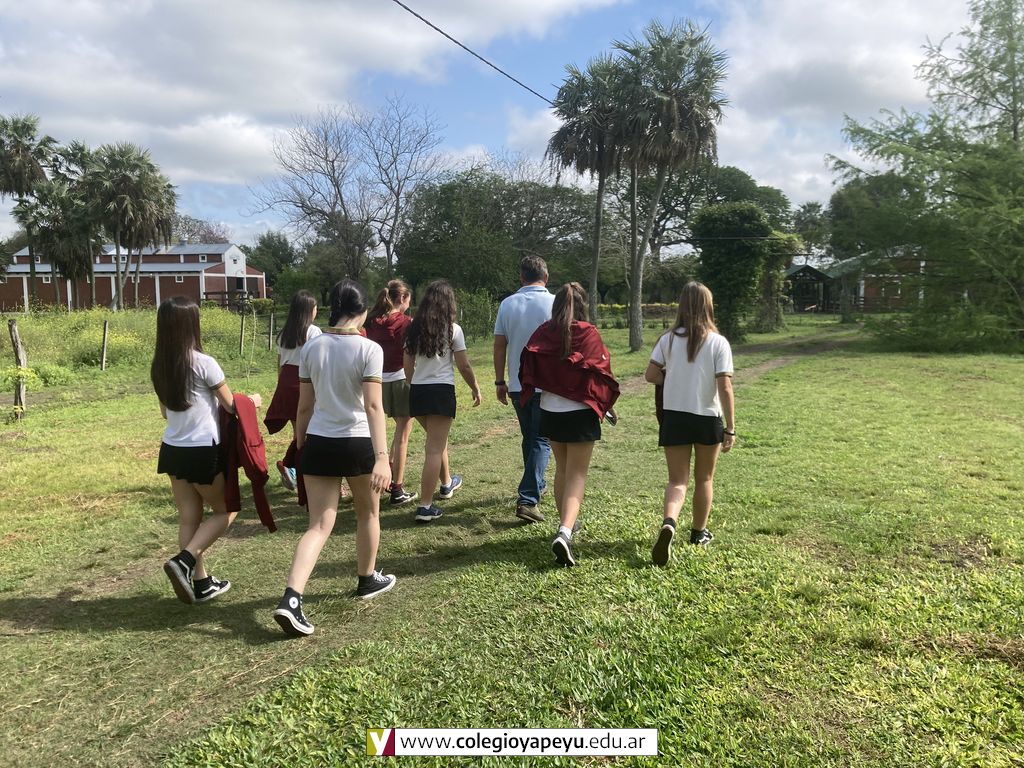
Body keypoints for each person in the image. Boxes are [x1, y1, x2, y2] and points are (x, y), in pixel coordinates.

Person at [273, 279, 395, 637]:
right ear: (363, 311)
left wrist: (301, 440)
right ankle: (367, 579)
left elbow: (304, 405)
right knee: (367, 514)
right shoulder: (369, 349)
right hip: (358, 443)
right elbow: (373, 406)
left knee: (318, 526)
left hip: (319, 442)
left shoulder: (312, 347)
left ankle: (291, 598)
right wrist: (383, 457)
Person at [152, 296, 256, 604]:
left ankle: (201, 583)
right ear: (191, 325)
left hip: (172, 449)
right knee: (227, 510)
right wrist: (252, 401)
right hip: (202, 451)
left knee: (189, 518)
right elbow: (231, 405)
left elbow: (165, 413)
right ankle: (184, 561)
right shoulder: (203, 362)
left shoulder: (159, 366)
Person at [519, 282, 618, 567]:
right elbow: (600, 374)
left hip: (550, 410)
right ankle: (565, 531)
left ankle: (567, 523)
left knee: (562, 470)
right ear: (583, 304)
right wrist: (607, 406)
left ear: (557, 305)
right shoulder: (588, 333)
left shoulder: (544, 332)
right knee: (577, 475)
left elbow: (528, 363)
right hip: (580, 412)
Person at [644, 281, 735, 566]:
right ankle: (698, 533)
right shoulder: (718, 342)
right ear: (708, 306)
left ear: (681, 306)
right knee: (704, 478)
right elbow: (725, 387)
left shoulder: (667, 340)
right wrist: (730, 427)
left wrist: (671, 377)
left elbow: (650, 375)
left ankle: (669, 521)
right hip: (708, 417)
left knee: (677, 480)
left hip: (675, 417)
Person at [403, 279, 481, 523]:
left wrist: (413, 383)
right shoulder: (453, 329)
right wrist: (475, 388)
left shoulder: (413, 328)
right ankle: (425, 506)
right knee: (434, 449)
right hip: (441, 392)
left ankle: (447, 484)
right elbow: (464, 365)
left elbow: (407, 364)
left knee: (436, 442)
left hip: (418, 391)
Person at [493, 256, 555, 523]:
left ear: (521, 277)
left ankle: (537, 484)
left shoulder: (507, 304)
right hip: (547, 383)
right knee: (542, 439)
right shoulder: (555, 303)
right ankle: (528, 499)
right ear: (546, 276)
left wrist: (499, 381)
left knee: (530, 437)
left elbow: (500, 345)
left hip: (518, 384)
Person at [364, 280, 417, 506]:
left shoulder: (371, 322)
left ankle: (383, 472)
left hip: (375, 381)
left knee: (378, 433)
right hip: (401, 378)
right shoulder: (406, 322)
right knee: (402, 435)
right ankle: (397, 488)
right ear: (402, 299)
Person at [264, 290, 321, 492]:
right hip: (303, 382)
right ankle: (295, 469)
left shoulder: (283, 334)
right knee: (309, 432)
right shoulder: (313, 332)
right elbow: (317, 363)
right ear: (309, 310)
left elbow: (279, 365)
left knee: (299, 431)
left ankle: (294, 468)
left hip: (286, 383)